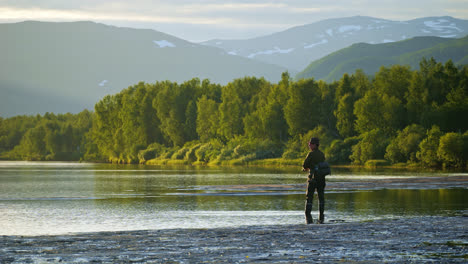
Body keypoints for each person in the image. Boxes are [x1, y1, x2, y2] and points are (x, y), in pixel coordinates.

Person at [302, 137, 326, 224]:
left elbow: (305, 165)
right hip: (321, 179)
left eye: (311, 144)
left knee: (309, 197)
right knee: (321, 197)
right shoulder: (322, 154)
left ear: (315, 145)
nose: (309, 145)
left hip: (312, 179)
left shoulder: (311, 154)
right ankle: (321, 215)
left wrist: (306, 168)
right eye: (309, 143)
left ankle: (307, 215)